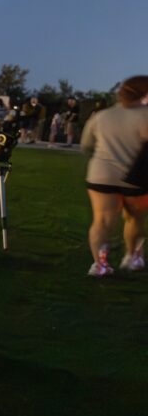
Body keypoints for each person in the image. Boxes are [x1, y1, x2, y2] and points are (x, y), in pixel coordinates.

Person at [81, 76, 148, 276]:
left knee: (101, 221)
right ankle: (132, 256)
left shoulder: (101, 116)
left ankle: (99, 264)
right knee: (135, 219)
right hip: (136, 177)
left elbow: (86, 145)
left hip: (101, 175)